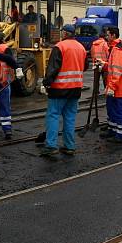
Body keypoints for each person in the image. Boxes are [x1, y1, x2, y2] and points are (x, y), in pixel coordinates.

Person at [39, 24, 86, 156]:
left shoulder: (60, 47)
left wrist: (46, 83)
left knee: (53, 116)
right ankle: (69, 146)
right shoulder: (81, 47)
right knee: (70, 118)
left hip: (59, 89)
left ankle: (51, 146)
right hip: (76, 88)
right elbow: (85, 66)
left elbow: (53, 68)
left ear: (65, 33)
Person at [100, 26, 122, 144]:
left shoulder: (118, 50)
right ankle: (113, 130)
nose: (106, 36)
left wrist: (112, 87)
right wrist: (104, 65)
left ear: (113, 35)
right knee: (112, 108)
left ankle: (120, 135)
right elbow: (113, 66)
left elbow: (117, 71)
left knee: (118, 110)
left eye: (108, 34)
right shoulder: (115, 48)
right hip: (117, 86)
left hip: (119, 87)